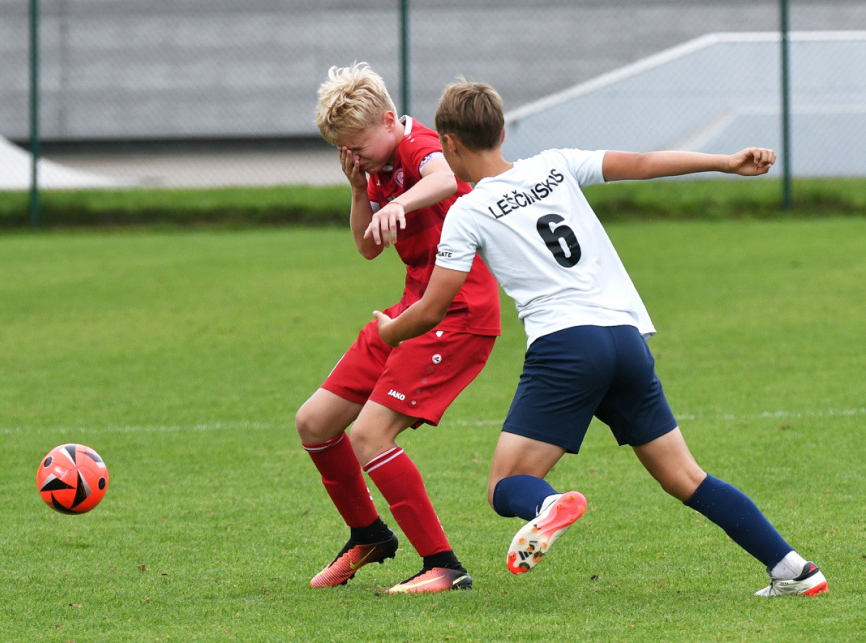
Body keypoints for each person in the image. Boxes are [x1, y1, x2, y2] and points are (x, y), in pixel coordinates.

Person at [372, 79, 828, 598]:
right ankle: (794, 569)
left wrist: (390, 330)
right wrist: (725, 161)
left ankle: (547, 506)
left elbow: (433, 308)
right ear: (502, 132)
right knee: (686, 477)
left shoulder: (467, 211)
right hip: (625, 339)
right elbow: (644, 162)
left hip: (567, 347)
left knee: (504, 485)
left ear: (449, 143)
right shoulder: (555, 164)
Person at [296, 63, 501, 594]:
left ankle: (443, 565)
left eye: (359, 145)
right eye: (344, 150)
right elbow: (367, 247)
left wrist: (400, 203)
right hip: (411, 312)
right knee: (315, 422)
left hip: (457, 313)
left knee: (369, 434)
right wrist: (359, 189)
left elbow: (445, 178)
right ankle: (368, 535)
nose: (354, 155)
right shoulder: (373, 165)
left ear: (389, 120)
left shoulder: (417, 144)